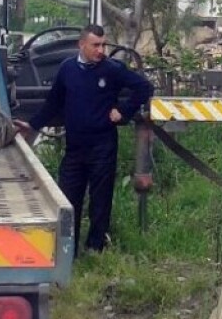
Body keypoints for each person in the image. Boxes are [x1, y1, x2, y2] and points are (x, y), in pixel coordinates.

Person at [17, 24, 153, 256]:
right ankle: (68, 250)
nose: (100, 50)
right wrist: (33, 125)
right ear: (82, 45)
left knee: (100, 200)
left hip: (103, 145)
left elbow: (144, 87)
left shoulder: (112, 70)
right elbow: (53, 103)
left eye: (103, 45)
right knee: (68, 199)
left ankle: (95, 248)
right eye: (95, 45)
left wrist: (124, 111)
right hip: (75, 148)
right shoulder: (67, 69)